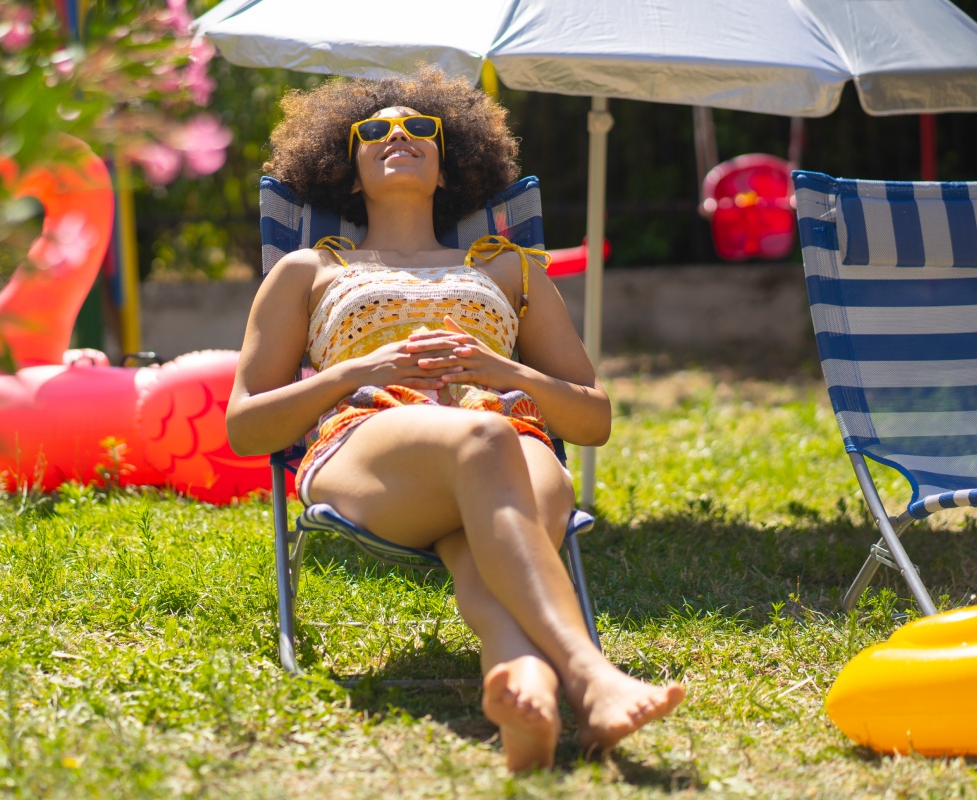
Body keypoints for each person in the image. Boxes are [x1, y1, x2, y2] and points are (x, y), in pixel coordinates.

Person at [226, 66, 684, 772]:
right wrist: (356, 371)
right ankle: (590, 677)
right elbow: (247, 427)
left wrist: (505, 372)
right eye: (374, 131)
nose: (398, 136)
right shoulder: (306, 271)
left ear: (448, 164)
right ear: (350, 171)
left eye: (420, 128)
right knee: (481, 436)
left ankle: (522, 682)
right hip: (373, 445)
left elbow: (591, 419)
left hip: (512, 436)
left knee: (487, 468)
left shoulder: (512, 270)